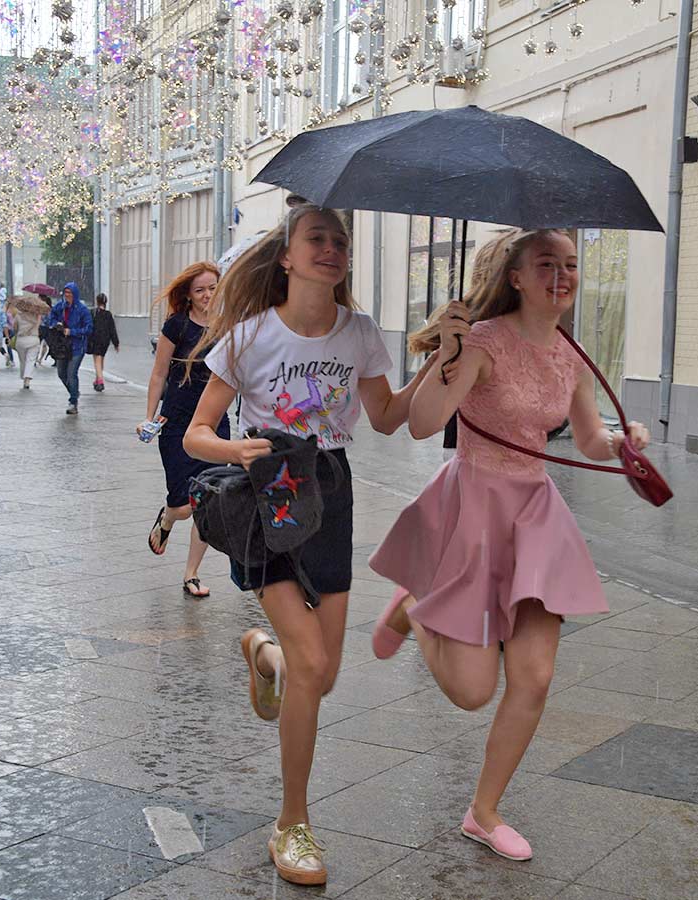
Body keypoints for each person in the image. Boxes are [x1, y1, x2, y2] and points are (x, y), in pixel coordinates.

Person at [367, 229, 651, 864]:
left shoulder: (572, 352)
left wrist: (621, 440)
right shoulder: (484, 340)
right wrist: (448, 347)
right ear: (517, 277)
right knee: (471, 692)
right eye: (547, 264)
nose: (562, 276)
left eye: (571, 265)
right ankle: (415, 607)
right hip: (474, 504)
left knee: (535, 677)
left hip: (534, 514)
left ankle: (484, 812)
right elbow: (421, 423)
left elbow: (586, 439)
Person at [183, 206, 439, 887]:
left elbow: (387, 419)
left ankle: (262, 655)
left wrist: (438, 364)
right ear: (288, 257)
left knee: (319, 676)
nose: (331, 249)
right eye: (317, 239)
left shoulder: (359, 333)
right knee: (315, 659)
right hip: (269, 488)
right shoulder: (248, 337)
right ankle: (291, 822)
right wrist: (235, 447)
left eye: (340, 241)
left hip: (332, 489)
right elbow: (195, 434)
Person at [140, 264, 229, 599]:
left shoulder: (227, 325)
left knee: (206, 501)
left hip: (215, 423)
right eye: (200, 290)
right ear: (189, 295)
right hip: (176, 421)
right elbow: (158, 374)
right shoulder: (176, 326)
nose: (208, 295)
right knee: (184, 503)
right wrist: (149, 417)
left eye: (213, 288)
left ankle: (191, 573)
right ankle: (167, 517)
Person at [43, 282, 93, 415]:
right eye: (65, 293)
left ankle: (73, 401)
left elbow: (88, 328)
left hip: (77, 346)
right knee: (61, 373)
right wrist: (56, 324)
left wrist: (72, 332)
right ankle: (74, 391)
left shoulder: (82, 310)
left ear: (75, 294)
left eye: (70, 293)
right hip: (62, 346)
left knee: (72, 373)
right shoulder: (60, 307)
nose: (67, 296)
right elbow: (50, 318)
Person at [7, 296, 44, 389]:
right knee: (30, 360)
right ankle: (27, 379)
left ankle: (24, 377)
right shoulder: (37, 316)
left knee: (23, 360)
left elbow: (14, 328)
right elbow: (39, 327)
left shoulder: (18, 316)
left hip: (21, 340)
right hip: (34, 339)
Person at [89, 293, 120, 392]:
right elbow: (112, 329)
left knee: (97, 360)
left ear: (97, 301)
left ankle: (100, 381)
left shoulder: (93, 313)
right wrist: (116, 343)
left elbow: (89, 326)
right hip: (105, 340)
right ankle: (97, 380)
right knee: (101, 359)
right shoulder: (108, 314)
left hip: (95, 339)